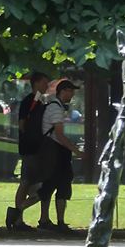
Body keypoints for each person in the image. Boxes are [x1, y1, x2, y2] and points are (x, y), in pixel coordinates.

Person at [6, 71, 50, 230]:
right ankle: (17, 215)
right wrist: (30, 139)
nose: (47, 86)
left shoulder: (39, 102)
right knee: (28, 182)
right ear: (36, 83)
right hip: (32, 149)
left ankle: (20, 216)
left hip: (35, 148)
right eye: (45, 82)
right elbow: (23, 124)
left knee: (31, 183)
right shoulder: (29, 102)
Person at [36, 78, 81, 233]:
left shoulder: (55, 107)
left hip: (53, 152)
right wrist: (76, 151)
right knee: (57, 186)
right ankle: (20, 211)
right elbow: (60, 135)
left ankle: (46, 219)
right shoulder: (56, 108)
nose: (73, 94)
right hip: (56, 152)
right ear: (63, 91)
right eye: (71, 91)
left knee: (50, 186)